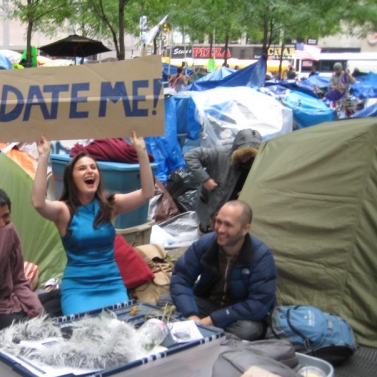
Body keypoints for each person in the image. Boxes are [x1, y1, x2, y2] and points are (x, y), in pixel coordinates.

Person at [32, 131, 154, 315]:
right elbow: (38, 203)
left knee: (119, 332)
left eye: (93, 167)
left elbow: (147, 193)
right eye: (82, 168)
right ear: (71, 178)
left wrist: (141, 152)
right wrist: (43, 157)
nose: (89, 171)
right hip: (78, 289)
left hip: (112, 284)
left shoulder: (110, 205)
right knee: (85, 334)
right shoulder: (64, 211)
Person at [169, 200, 277, 341]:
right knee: (167, 301)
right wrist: (192, 316)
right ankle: (207, 333)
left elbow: (258, 304)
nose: (220, 229)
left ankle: (203, 333)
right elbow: (180, 278)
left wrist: (211, 321)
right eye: (218, 221)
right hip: (209, 304)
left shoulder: (261, 256)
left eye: (228, 225)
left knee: (249, 330)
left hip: (238, 314)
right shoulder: (206, 244)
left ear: (245, 229)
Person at [0, 186, 45, 331]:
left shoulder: (10, 232)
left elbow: (19, 280)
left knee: (57, 301)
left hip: (14, 300)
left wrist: (36, 306)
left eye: (5, 216)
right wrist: (2, 246)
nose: (1, 224)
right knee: (22, 329)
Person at [184, 128, 261, 234]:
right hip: (210, 204)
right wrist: (205, 179)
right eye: (243, 154)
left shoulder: (255, 164)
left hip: (233, 208)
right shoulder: (220, 154)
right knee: (207, 232)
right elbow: (190, 156)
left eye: (249, 156)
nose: (246, 158)